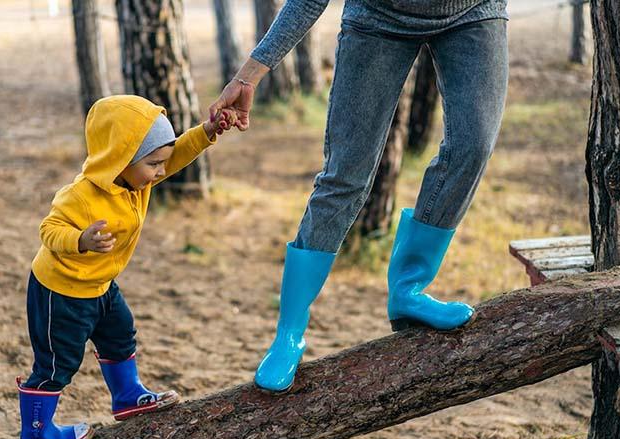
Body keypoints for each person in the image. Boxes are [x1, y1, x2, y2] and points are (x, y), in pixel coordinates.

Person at [209, 0, 509, 393]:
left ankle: (409, 289)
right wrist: (249, 76)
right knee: (345, 177)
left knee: (472, 148)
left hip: (474, 11)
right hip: (378, 17)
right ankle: (289, 334)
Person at [17, 94, 236, 439]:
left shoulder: (138, 179)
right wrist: (80, 240)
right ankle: (37, 431)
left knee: (120, 334)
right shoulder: (82, 196)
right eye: (153, 164)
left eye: (160, 163)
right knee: (58, 362)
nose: (161, 171)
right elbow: (48, 229)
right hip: (62, 291)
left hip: (101, 285)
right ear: (121, 158)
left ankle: (127, 396)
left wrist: (208, 131)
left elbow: (176, 154)